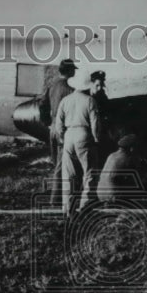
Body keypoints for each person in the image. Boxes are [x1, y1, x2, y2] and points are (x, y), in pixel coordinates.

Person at [56, 70, 105, 215]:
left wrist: (62, 137)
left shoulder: (65, 100)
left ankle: (67, 207)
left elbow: (59, 123)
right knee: (89, 172)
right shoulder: (90, 100)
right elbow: (95, 123)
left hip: (69, 135)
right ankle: (85, 204)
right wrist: (96, 139)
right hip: (84, 133)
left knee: (68, 174)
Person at [38, 59, 77, 205]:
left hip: (53, 127)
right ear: (69, 71)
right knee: (61, 164)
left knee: (57, 163)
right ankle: (56, 198)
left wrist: (47, 123)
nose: (74, 72)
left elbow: (42, 104)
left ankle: (57, 195)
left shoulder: (52, 86)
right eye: (73, 69)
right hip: (63, 128)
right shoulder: (69, 88)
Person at [97, 134, 142, 202]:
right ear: (131, 148)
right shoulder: (127, 158)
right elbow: (137, 180)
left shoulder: (111, 155)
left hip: (100, 193)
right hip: (113, 195)